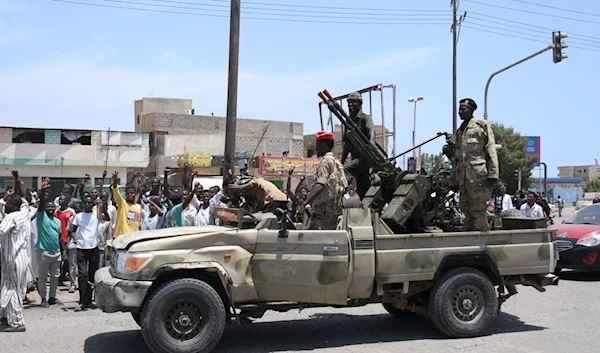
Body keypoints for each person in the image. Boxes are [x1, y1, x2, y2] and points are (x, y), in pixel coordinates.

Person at [452, 98, 499, 231]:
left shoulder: (481, 125)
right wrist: (453, 179)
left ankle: (481, 241)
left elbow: (490, 148)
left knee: (478, 211)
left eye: (463, 109)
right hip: (463, 177)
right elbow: (457, 158)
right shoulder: (460, 131)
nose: (460, 112)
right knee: (465, 209)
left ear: (471, 110)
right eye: (459, 109)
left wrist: (493, 173)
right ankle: (468, 239)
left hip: (478, 176)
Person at [301, 131, 348, 230]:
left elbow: (320, 185)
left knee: (311, 241)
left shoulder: (325, 162)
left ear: (325, 145)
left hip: (322, 213)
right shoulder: (336, 162)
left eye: (318, 144)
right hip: (333, 212)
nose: (316, 148)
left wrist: (305, 202)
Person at [0, 194, 32, 332]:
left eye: (6, 203)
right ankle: (8, 316)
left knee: (12, 289)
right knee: (13, 287)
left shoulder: (11, 217)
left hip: (12, 258)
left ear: (12, 205)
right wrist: (18, 181)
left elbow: (1, 231)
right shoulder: (24, 214)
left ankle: (17, 323)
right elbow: (24, 203)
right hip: (22, 257)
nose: (4, 206)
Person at [35, 179, 64, 308]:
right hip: (43, 252)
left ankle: (52, 297)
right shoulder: (41, 217)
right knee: (42, 277)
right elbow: (41, 205)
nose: (51, 208)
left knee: (55, 277)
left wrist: (63, 253)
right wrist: (44, 191)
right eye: (49, 206)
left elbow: (59, 238)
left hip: (56, 252)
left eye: (53, 206)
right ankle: (43, 298)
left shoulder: (57, 221)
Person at [341, 91, 375, 200]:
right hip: (356, 158)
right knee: (363, 190)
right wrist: (341, 161)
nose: (350, 105)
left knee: (344, 172)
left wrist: (371, 142)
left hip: (364, 158)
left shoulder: (365, 118)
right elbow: (347, 143)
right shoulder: (348, 121)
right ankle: (366, 210)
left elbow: (371, 131)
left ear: (360, 104)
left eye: (353, 103)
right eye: (349, 103)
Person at [110, 171, 142, 238]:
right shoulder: (122, 203)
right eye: (128, 193)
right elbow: (116, 191)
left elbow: (138, 224)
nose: (130, 195)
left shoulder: (138, 207)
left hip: (133, 238)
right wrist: (115, 181)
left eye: (132, 193)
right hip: (120, 237)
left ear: (135, 194)